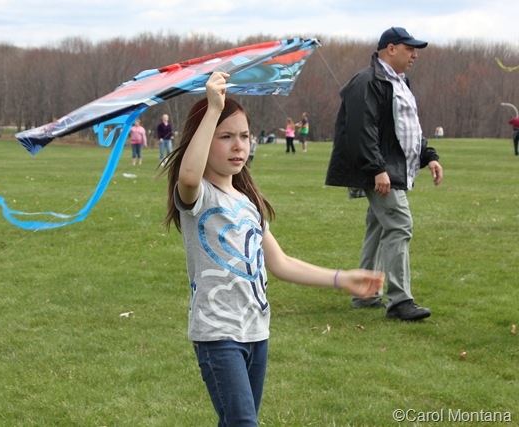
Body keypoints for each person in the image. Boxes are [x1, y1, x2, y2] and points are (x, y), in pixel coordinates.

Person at [162, 72, 384, 425]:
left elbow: (281, 263)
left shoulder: (248, 203)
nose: (239, 146)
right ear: (201, 139)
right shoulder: (199, 198)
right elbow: (188, 176)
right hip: (218, 335)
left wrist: (341, 278)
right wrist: (213, 108)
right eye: (226, 136)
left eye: (244, 136)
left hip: (256, 332)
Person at [325, 27, 443, 321]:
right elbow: (361, 130)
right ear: (391, 49)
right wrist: (377, 168)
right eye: (409, 49)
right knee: (400, 224)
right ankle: (400, 301)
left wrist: (429, 156)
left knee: (378, 228)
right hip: (380, 170)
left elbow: (407, 128)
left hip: (389, 168)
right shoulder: (367, 81)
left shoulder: (399, 82)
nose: (415, 55)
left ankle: (364, 294)